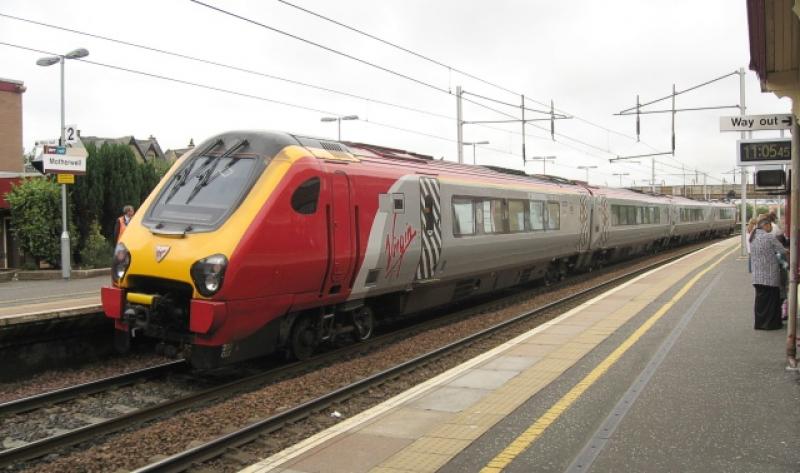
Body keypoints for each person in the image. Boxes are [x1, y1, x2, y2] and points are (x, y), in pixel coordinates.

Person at [749, 216, 787, 330]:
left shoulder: (753, 237)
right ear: (765, 225)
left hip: (757, 277)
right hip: (770, 276)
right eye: (770, 225)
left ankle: (760, 324)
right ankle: (771, 324)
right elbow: (782, 250)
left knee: (760, 302)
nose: (771, 227)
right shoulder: (769, 237)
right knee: (771, 301)